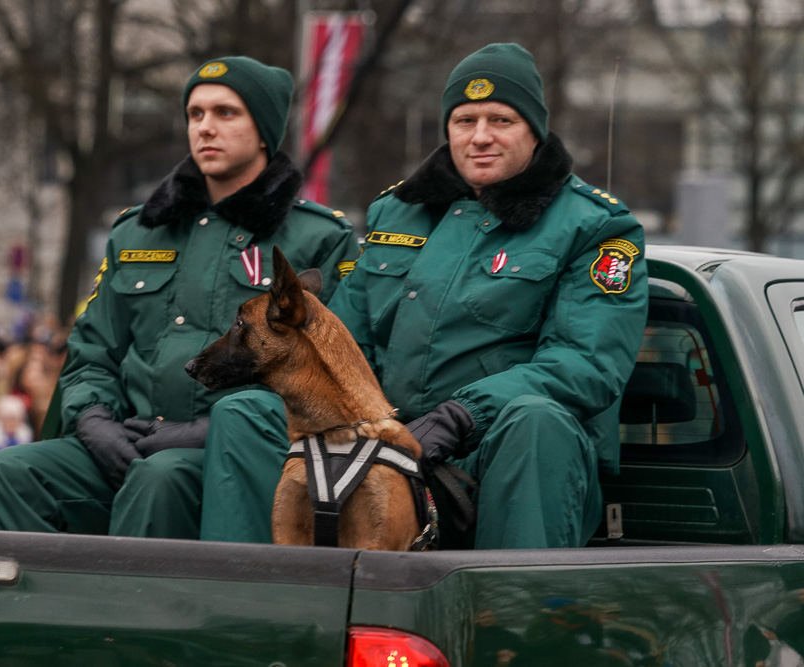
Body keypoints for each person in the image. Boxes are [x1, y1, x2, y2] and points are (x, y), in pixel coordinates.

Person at [198, 43, 648, 549]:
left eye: (501, 120)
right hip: (382, 439)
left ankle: (512, 617)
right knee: (248, 413)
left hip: (494, 452)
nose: (480, 137)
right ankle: (247, 606)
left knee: (538, 421)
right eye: (464, 120)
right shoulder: (399, 212)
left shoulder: (596, 225)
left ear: (535, 129)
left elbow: (585, 361)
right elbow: (343, 339)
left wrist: (462, 415)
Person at [0, 55, 361, 536]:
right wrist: (94, 421)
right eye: (195, 114)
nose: (205, 128)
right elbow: (93, 352)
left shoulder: (316, 238)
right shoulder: (137, 232)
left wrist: (202, 431)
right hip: (126, 439)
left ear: (264, 131)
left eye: (225, 113)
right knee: (5, 473)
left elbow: (321, 375)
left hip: (237, 455)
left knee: (160, 478)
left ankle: (124, 613)